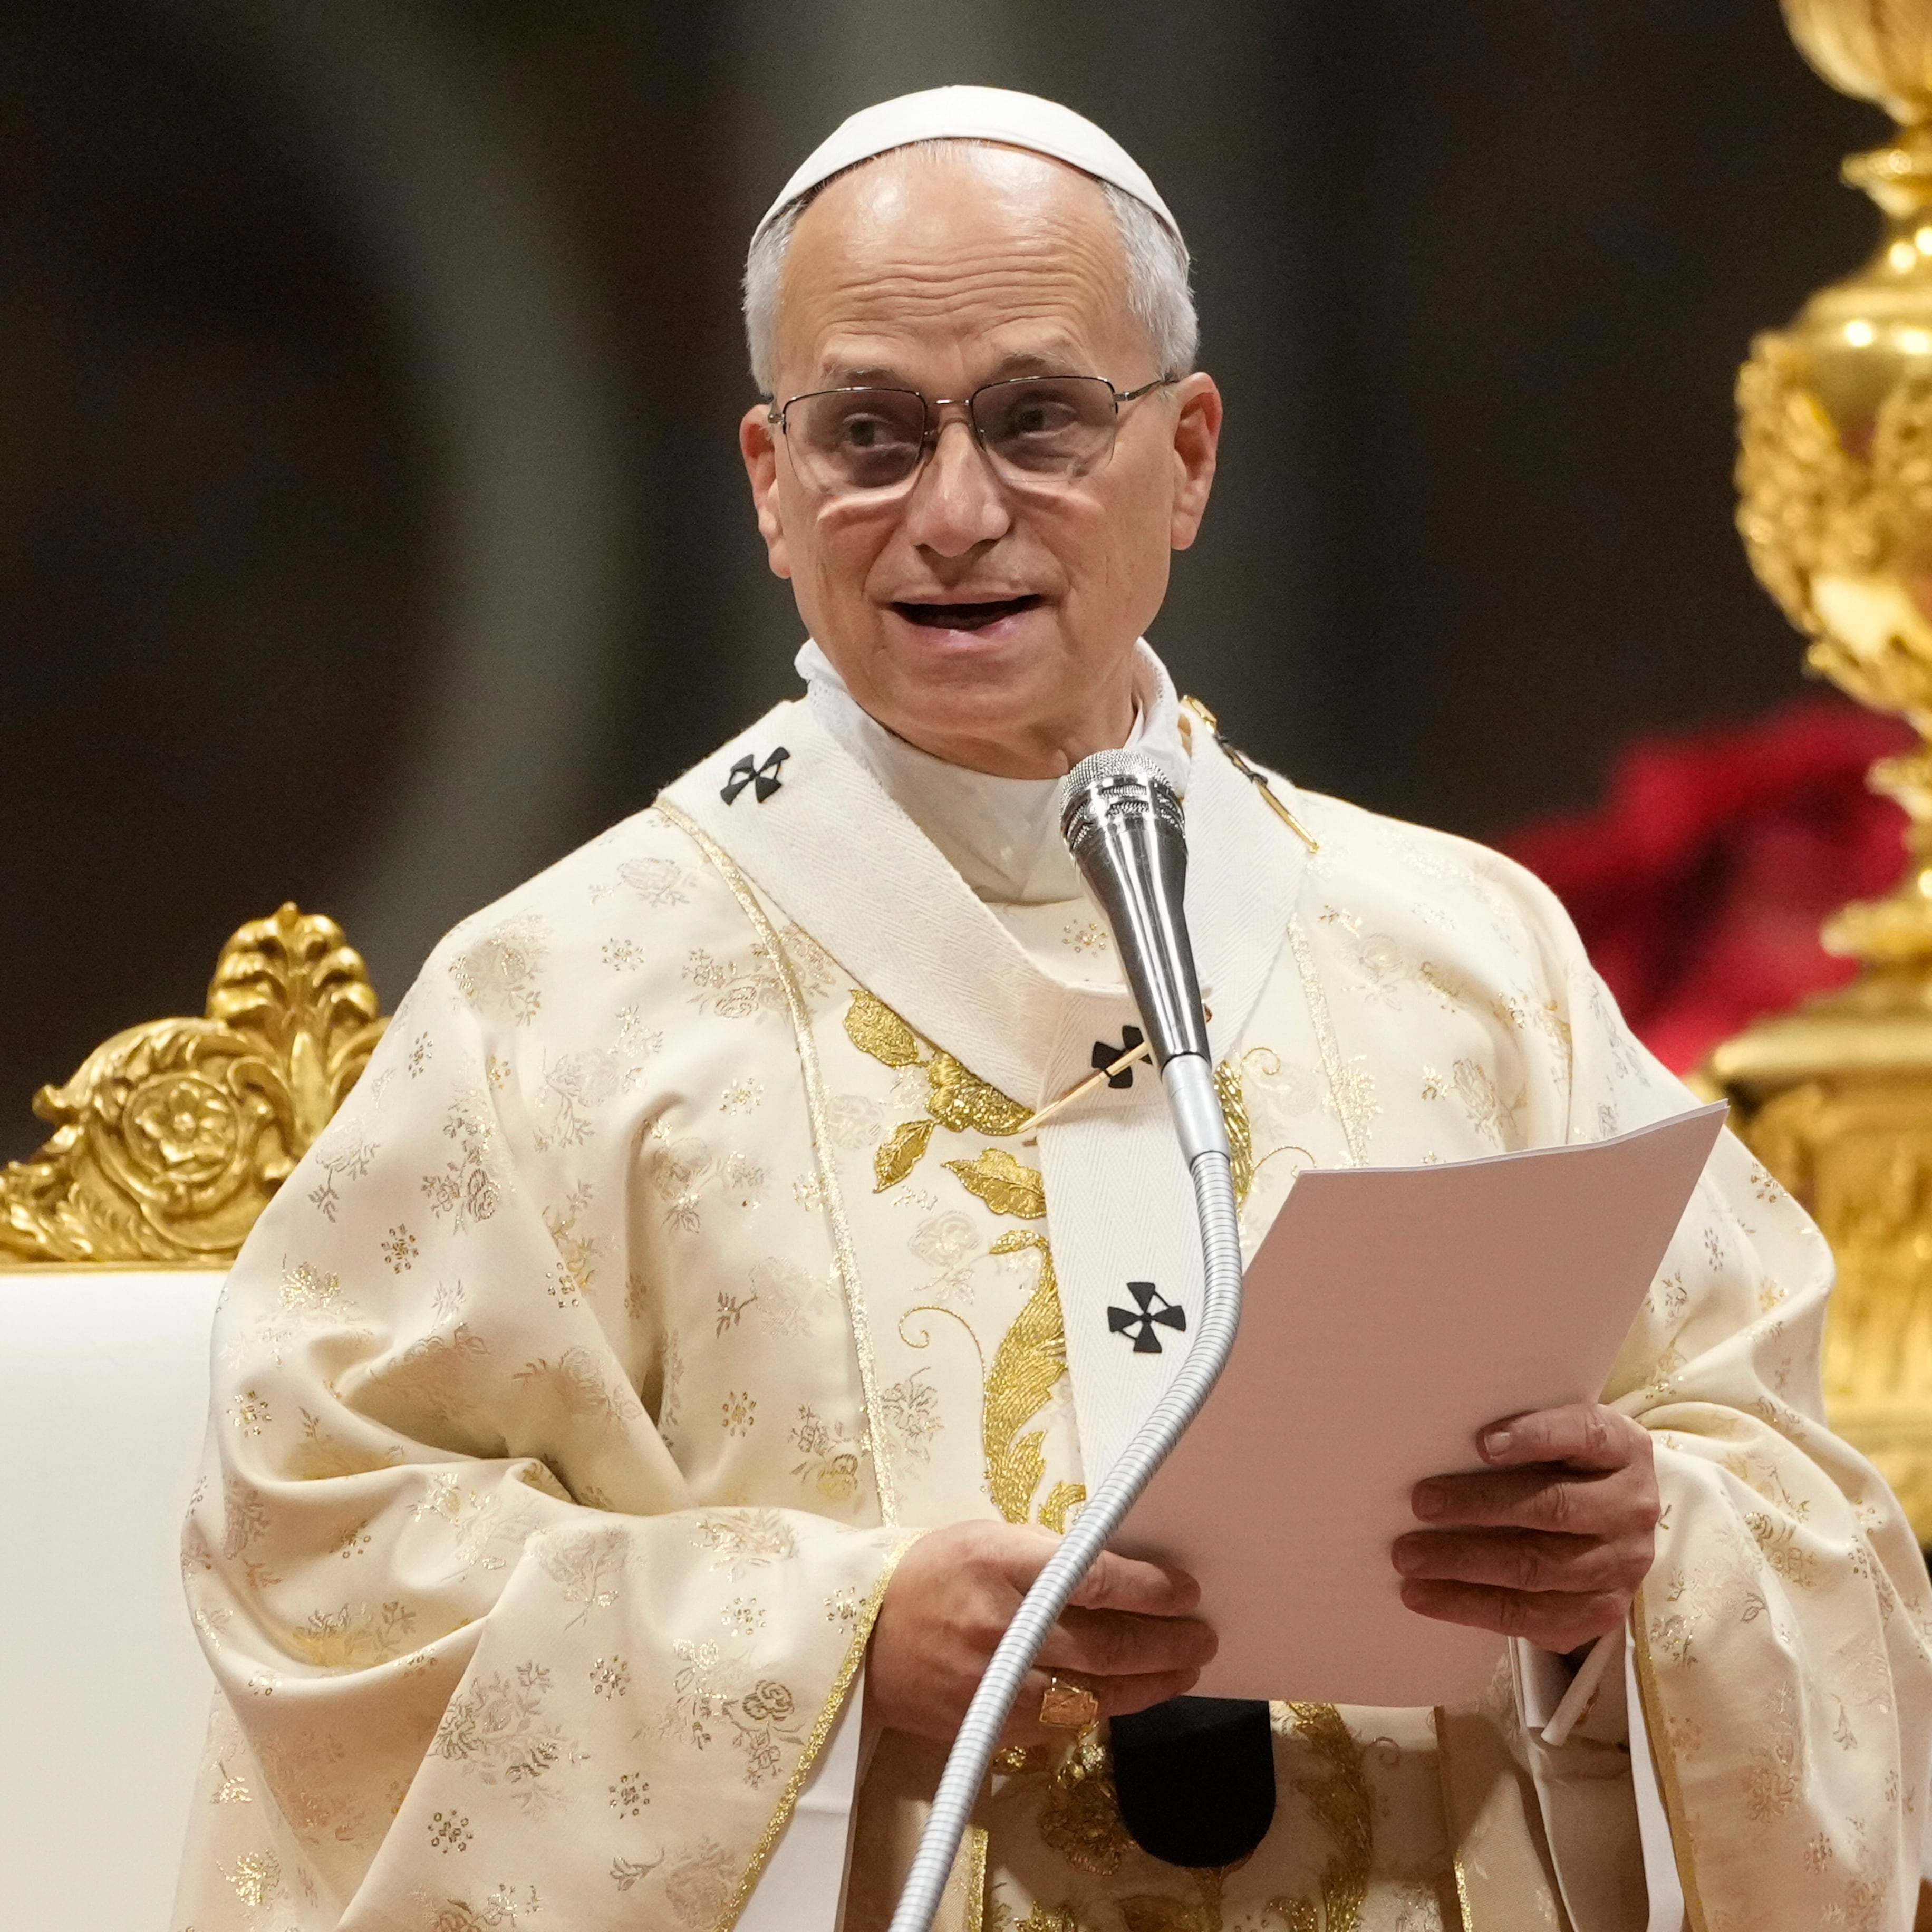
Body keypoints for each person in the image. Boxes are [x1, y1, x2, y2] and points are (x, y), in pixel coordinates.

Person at [174, 86, 1932, 1932]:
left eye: (1038, 421)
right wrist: (839, 1654)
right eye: (870, 432)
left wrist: (1623, 1573)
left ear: (1186, 456)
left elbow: (1806, 1512)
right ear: (771, 487)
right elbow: (323, 1557)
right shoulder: (555, 1006)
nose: (955, 513)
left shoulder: (1463, 959)